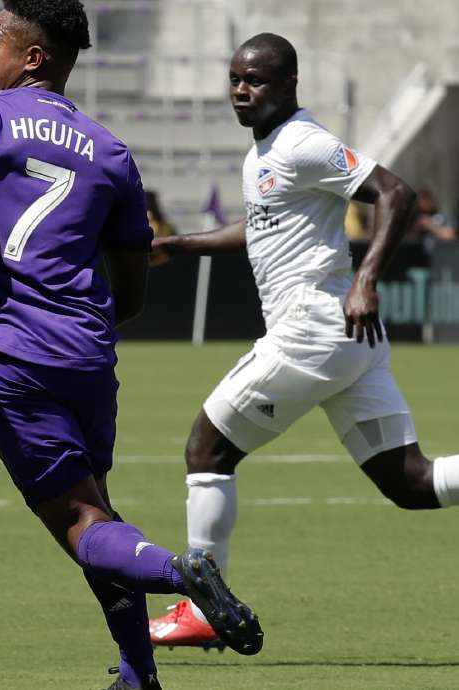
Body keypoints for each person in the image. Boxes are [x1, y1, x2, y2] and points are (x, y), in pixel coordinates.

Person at [0, 2, 263, 688]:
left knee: (79, 521)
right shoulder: (110, 149)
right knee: (98, 512)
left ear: (32, 57)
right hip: (88, 352)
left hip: (10, 349)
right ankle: (139, 674)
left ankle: (181, 572)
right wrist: (93, 326)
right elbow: (132, 282)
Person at [147, 33, 458, 650]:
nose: (241, 90)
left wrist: (367, 278)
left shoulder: (302, 143)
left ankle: (204, 609)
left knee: (207, 449)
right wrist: (181, 245)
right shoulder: (266, 152)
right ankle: (204, 609)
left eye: (255, 80)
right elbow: (261, 227)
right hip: (348, 343)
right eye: (235, 78)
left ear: (288, 85)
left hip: (313, 328)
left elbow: (394, 193)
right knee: (412, 484)